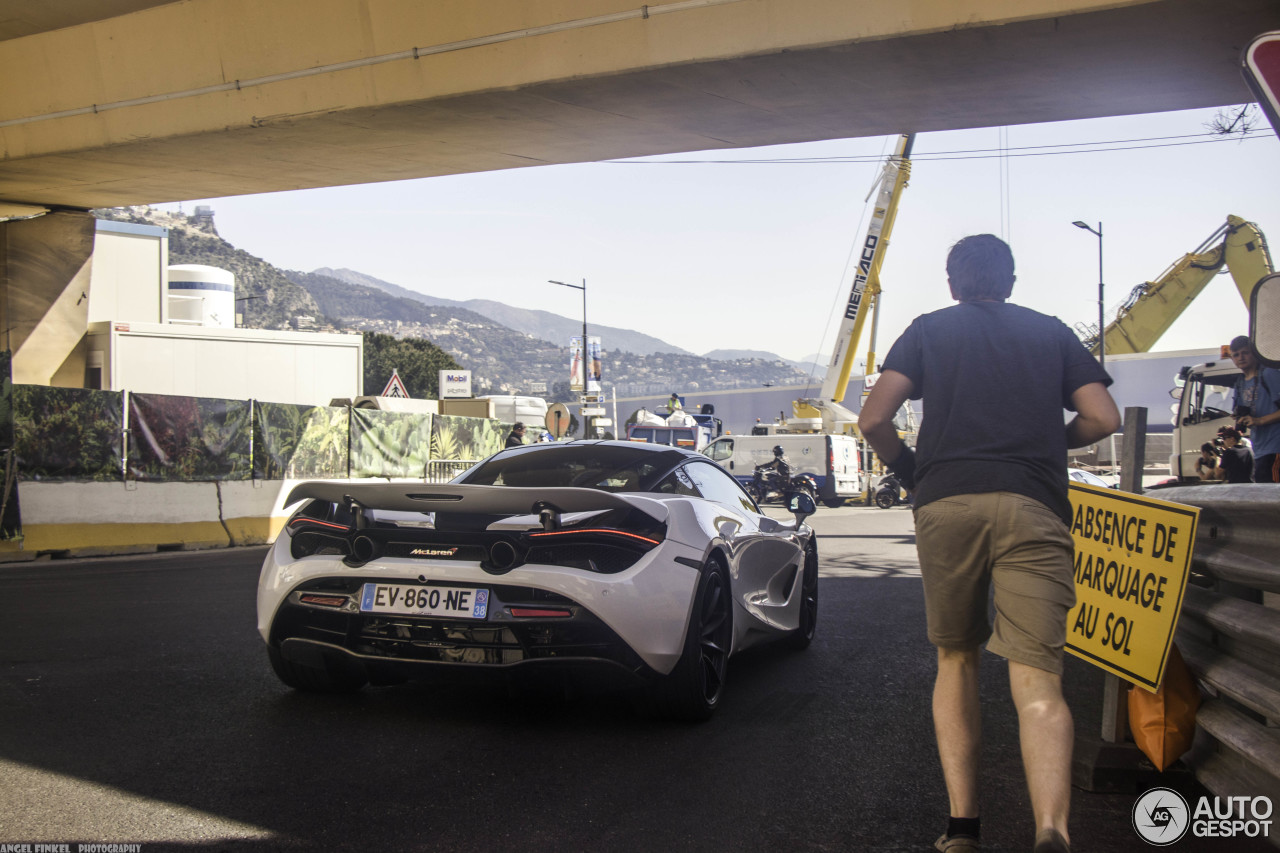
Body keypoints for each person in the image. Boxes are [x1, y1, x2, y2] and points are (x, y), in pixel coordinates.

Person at [858, 234, 1120, 853]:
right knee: (1039, 681)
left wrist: (912, 470)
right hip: (1034, 504)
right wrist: (1051, 445)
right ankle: (1051, 830)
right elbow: (1104, 418)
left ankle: (963, 828)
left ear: (952, 282)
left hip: (947, 502)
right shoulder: (1050, 332)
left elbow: (873, 419)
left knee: (957, 658)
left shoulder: (927, 330)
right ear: (1011, 279)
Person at [1228, 335, 1280, 483]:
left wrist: (1259, 420)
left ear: (1255, 353)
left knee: (1272, 499)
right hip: (1259, 449)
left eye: (1245, 352)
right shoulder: (1240, 383)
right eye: (1236, 355)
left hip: (1276, 447)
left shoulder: (1269, 374)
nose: (1241, 357)